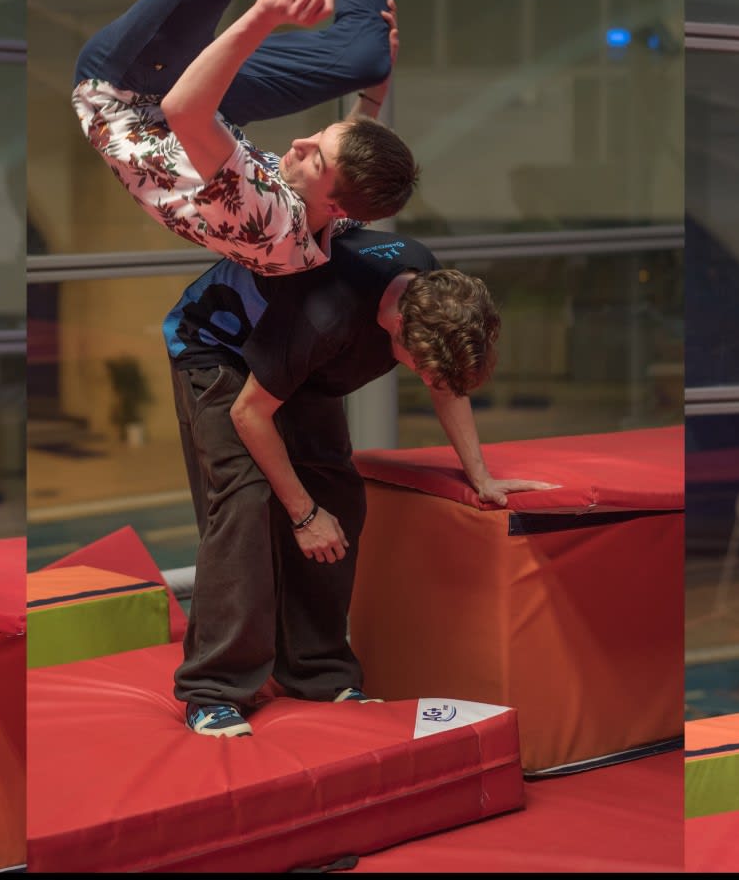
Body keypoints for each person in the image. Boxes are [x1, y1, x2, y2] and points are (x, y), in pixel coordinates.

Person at [163, 227, 555, 737]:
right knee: (249, 500)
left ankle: (316, 672)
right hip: (219, 346)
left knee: (339, 498)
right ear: (394, 325)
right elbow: (250, 414)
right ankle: (212, 689)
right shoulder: (326, 313)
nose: (425, 379)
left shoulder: (431, 289)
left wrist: (481, 475)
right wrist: (303, 516)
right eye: (417, 367)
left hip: (301, 365)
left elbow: (446, 382)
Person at [72, 0, 482, 275]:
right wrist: (373, 93)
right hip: (203, 118)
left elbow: (183, 109)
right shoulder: (333, 214)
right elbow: (349, 167)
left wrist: (263, 16)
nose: (298, 143)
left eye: (315, 157)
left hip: (126, 95)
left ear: (333, 201)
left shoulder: (266, 219)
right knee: (366, 56)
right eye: (319, 139)